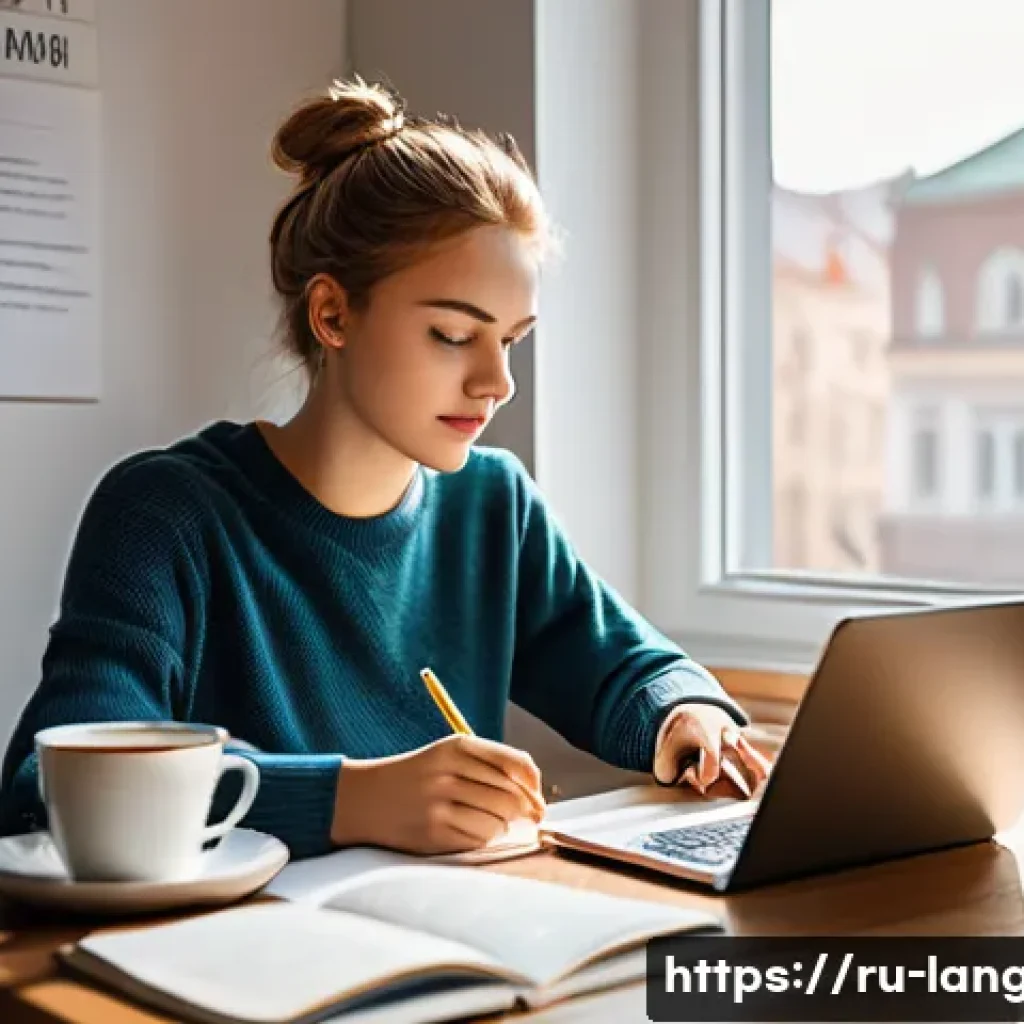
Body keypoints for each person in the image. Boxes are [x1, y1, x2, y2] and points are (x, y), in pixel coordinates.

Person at [0, 78, 768, 860]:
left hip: (448, 943)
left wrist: (686, 716)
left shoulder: (492, 505)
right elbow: (43, 783)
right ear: (331, 313)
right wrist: (349, 798)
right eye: (451, 334)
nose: (497, 383)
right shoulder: (165, 513)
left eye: (512, 339)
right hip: (235, 963)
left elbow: (627, 669)